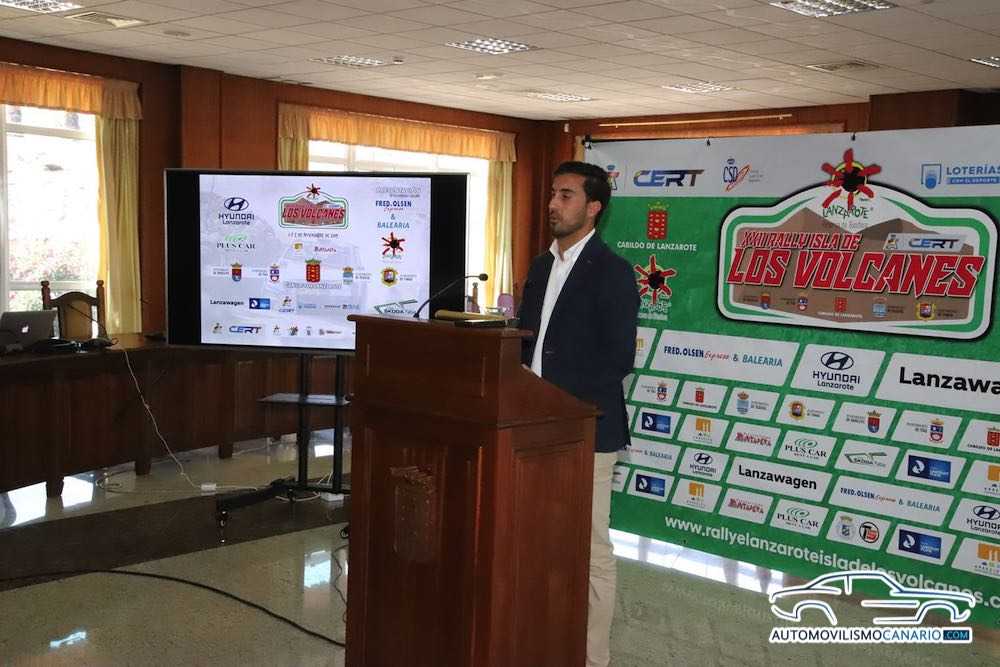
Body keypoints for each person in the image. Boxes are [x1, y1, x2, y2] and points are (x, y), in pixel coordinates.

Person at [517, 161, 639, 667]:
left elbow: (617, 359)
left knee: (590, 550)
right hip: (532, 432)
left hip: (586, 431)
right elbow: (527, 344)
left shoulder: (613, 272)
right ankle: (543, 640)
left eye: (565, 195)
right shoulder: (540, 267)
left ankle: (592, 657)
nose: (552, 204)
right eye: (552, 193)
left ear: (593, 208)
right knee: (537, 542)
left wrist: (559, 407)